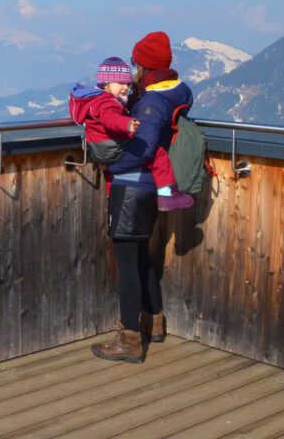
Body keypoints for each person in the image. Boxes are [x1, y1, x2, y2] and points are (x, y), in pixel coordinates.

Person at [91, 32, 193, 363]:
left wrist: (109, 162)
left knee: (126, 262)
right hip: (151, 187)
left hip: (132, 185)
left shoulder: (150, 102)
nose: (132, 69)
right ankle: (155, 322)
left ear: (144, 65)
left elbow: (143, 147)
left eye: (135, 63)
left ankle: (130, 340)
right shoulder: (169, 92)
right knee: (140, 256)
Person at [68, 56, 177, 201]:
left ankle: (110, 193)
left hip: (98, 147)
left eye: (127, 84)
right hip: (112, 145)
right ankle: (167, 193)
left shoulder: (96, 100)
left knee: (110, 169)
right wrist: (127, 124)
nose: (125, 88)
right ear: (106, 84)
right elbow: (110, 119)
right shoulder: (106, 102)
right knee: (157, 152)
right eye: (120, 83)